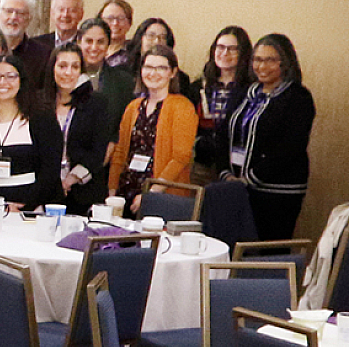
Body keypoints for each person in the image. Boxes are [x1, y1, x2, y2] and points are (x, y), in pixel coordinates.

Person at [222, 34, 313, 239]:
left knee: (266, 251)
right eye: (257, 59)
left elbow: (291, 147)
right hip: (237, 188)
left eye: (270, 60)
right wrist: (227, 174)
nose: (261, 66)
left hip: (277, 191)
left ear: (286, 62)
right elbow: (223, 134)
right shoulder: (244, 93)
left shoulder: (298, 98)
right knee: (236, 248)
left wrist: (251, 178)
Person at [107, 46, 198, 212]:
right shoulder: (133, 107)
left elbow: (181, 157)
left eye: (161, 68)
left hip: (163, 197)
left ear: (173, 72)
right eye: (148, 67)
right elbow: (120, 152)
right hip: (126, 192)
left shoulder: (182, 107)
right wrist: (112, 191)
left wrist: (151, 195)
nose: (153, 73)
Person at [0, 61, 62, 210]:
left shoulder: (42, 119)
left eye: (10, 76)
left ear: (21, 81)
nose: (3, 82)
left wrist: (26, 204)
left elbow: (50, 170)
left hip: (35, 208)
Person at [50, 43, 110, 211]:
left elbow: (98, 152)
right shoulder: (40, 103)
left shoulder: (97, 103)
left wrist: (70, 179)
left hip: (85, 191)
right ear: (52, 68)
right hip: (47, 191)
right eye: (62, 66)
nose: (68, 72)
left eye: (75, 66)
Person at [192, 26, 253, 184]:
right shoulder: (199, 86)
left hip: (236, 169)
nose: (225, 53)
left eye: (232, 49)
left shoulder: (252, 90)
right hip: (201, 166)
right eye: (220, 47)